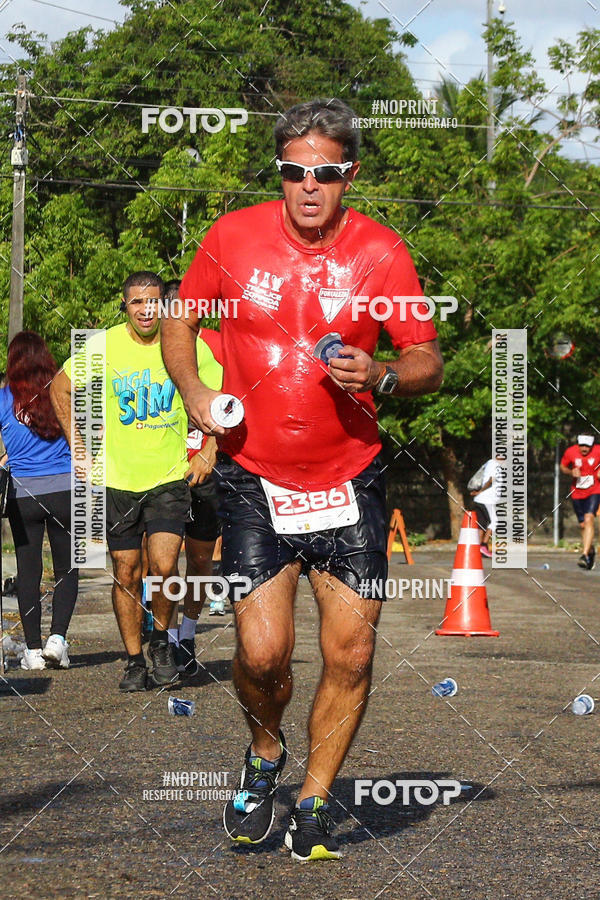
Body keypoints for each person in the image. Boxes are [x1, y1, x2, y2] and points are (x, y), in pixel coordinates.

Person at [162, 98, 443, 861]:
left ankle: (314, 801)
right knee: (262, 655)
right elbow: (182, 319)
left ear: (349, 173)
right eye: (294, 171)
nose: (308, 186)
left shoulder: (382, 253)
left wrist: (384, 372)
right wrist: (193, 393)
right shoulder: (232, 238)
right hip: (255, 477)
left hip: (350, 476)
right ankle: (264, 751)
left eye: (325, 172)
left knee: (351, 652)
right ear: (280, 173)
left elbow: (427, 357)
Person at [50, 271, 220, 691]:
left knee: (163, 567)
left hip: (167, 478)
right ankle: (132, 660)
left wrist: (210, 449)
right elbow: (60, 387)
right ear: (124, 306)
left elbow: (221, 397)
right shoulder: (104, 345)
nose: (146, 310)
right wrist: (79, 445)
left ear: (164, 303)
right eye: (137, 303)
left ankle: (160, 641)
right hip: (116, 479)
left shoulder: (184, 344)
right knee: (125, 571)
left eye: (153, 302)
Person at [0, 332, 78, 670]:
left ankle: (32, 651)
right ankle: (57, 640)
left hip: (23, 494)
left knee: (27, 570)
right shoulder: (60, 392)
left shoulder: (3, 398)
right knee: (67, 568)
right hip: (65, 489)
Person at [161, 279, 224, 678]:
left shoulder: (218, 344)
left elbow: (238, 401)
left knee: (200, 559)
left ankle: (187, 634)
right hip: (158, 473)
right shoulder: (148, 349)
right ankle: (162, 641)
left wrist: (210, 451)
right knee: (160, 565)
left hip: (204, 469)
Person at [560, 434, 600, 570]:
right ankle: (590, 550)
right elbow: (563, 466)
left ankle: (584, 554)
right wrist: (571, 471)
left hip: (594, 490)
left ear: (592, 445)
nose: (584, 449)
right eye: (582, 445)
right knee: (583, 525)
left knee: (589, 518)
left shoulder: (598, 450)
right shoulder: (570, 452)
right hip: (577, 492)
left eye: (587, 446)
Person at [471, 456, 501, 558]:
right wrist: (481, 491)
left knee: (482, 524)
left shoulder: (489, 463)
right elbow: (490, 480)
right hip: (486, 499)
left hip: (482, 499)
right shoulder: (495, 464)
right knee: (494, 521)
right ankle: (483, 546)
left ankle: (477, 549)